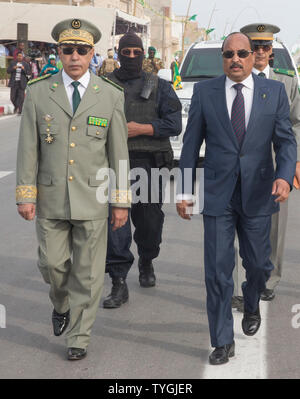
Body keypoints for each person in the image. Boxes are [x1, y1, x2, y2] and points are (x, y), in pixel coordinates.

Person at [176, 32, 297, 365]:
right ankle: (222, 340)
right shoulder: (205, 92)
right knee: (217, 271)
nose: (236, 59)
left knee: (258, 265)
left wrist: (284, 176)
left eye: (242, 53)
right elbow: (190, 145)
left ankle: (253, 298)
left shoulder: (272, 92)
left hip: (259, 194)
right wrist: (185, 190)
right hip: (218, 195)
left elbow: (286, 142)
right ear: (223, 58)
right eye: (229, 54)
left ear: (253, 56)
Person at [15, 18, 130, 361]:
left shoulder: (109, 95)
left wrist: (120, 201)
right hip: (50, 198)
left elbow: (118, 153)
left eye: (82, 50)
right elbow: (28, 149)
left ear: (92, 53)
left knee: (89, 274)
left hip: (93, 199)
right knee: (53, 265)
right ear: (59, 53)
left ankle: (78, 336)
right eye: (68, 50)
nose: (75, 57)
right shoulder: (38, 91)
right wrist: (26, 194)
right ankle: (61, 301)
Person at [102, 30, 182, 309]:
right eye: (127, 52)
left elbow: (175, 124)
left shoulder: (159, 86)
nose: (132, 57)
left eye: (137, 52)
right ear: (120, 53)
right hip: (114, 165)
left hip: (149, 165)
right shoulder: (105, 85)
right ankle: (118, 281)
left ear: (143, 53)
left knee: (149, 224)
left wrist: (142, 129)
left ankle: (147, 259)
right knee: (115, 225)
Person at [232, 23, 300, 302]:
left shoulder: (287, 82)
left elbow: (296, 124)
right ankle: (237, 288)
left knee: (274, 226)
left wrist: (293, 161)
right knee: (236, 229)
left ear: (271, 51)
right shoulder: (234, 78)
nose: (260, 52)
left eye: (265, 47)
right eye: (255, 46)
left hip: (275, 165)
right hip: (241, 166)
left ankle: (269, 280)